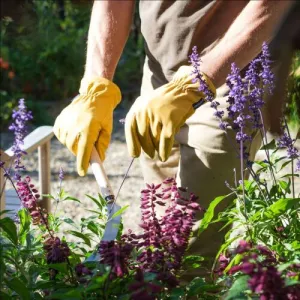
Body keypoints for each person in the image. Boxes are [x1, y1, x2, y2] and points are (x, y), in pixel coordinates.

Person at [53, 0, 294, 279]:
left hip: (235, 77)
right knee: (160, 241)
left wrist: (195, 82)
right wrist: (96, 87)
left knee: (190, 258)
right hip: (159, 79)